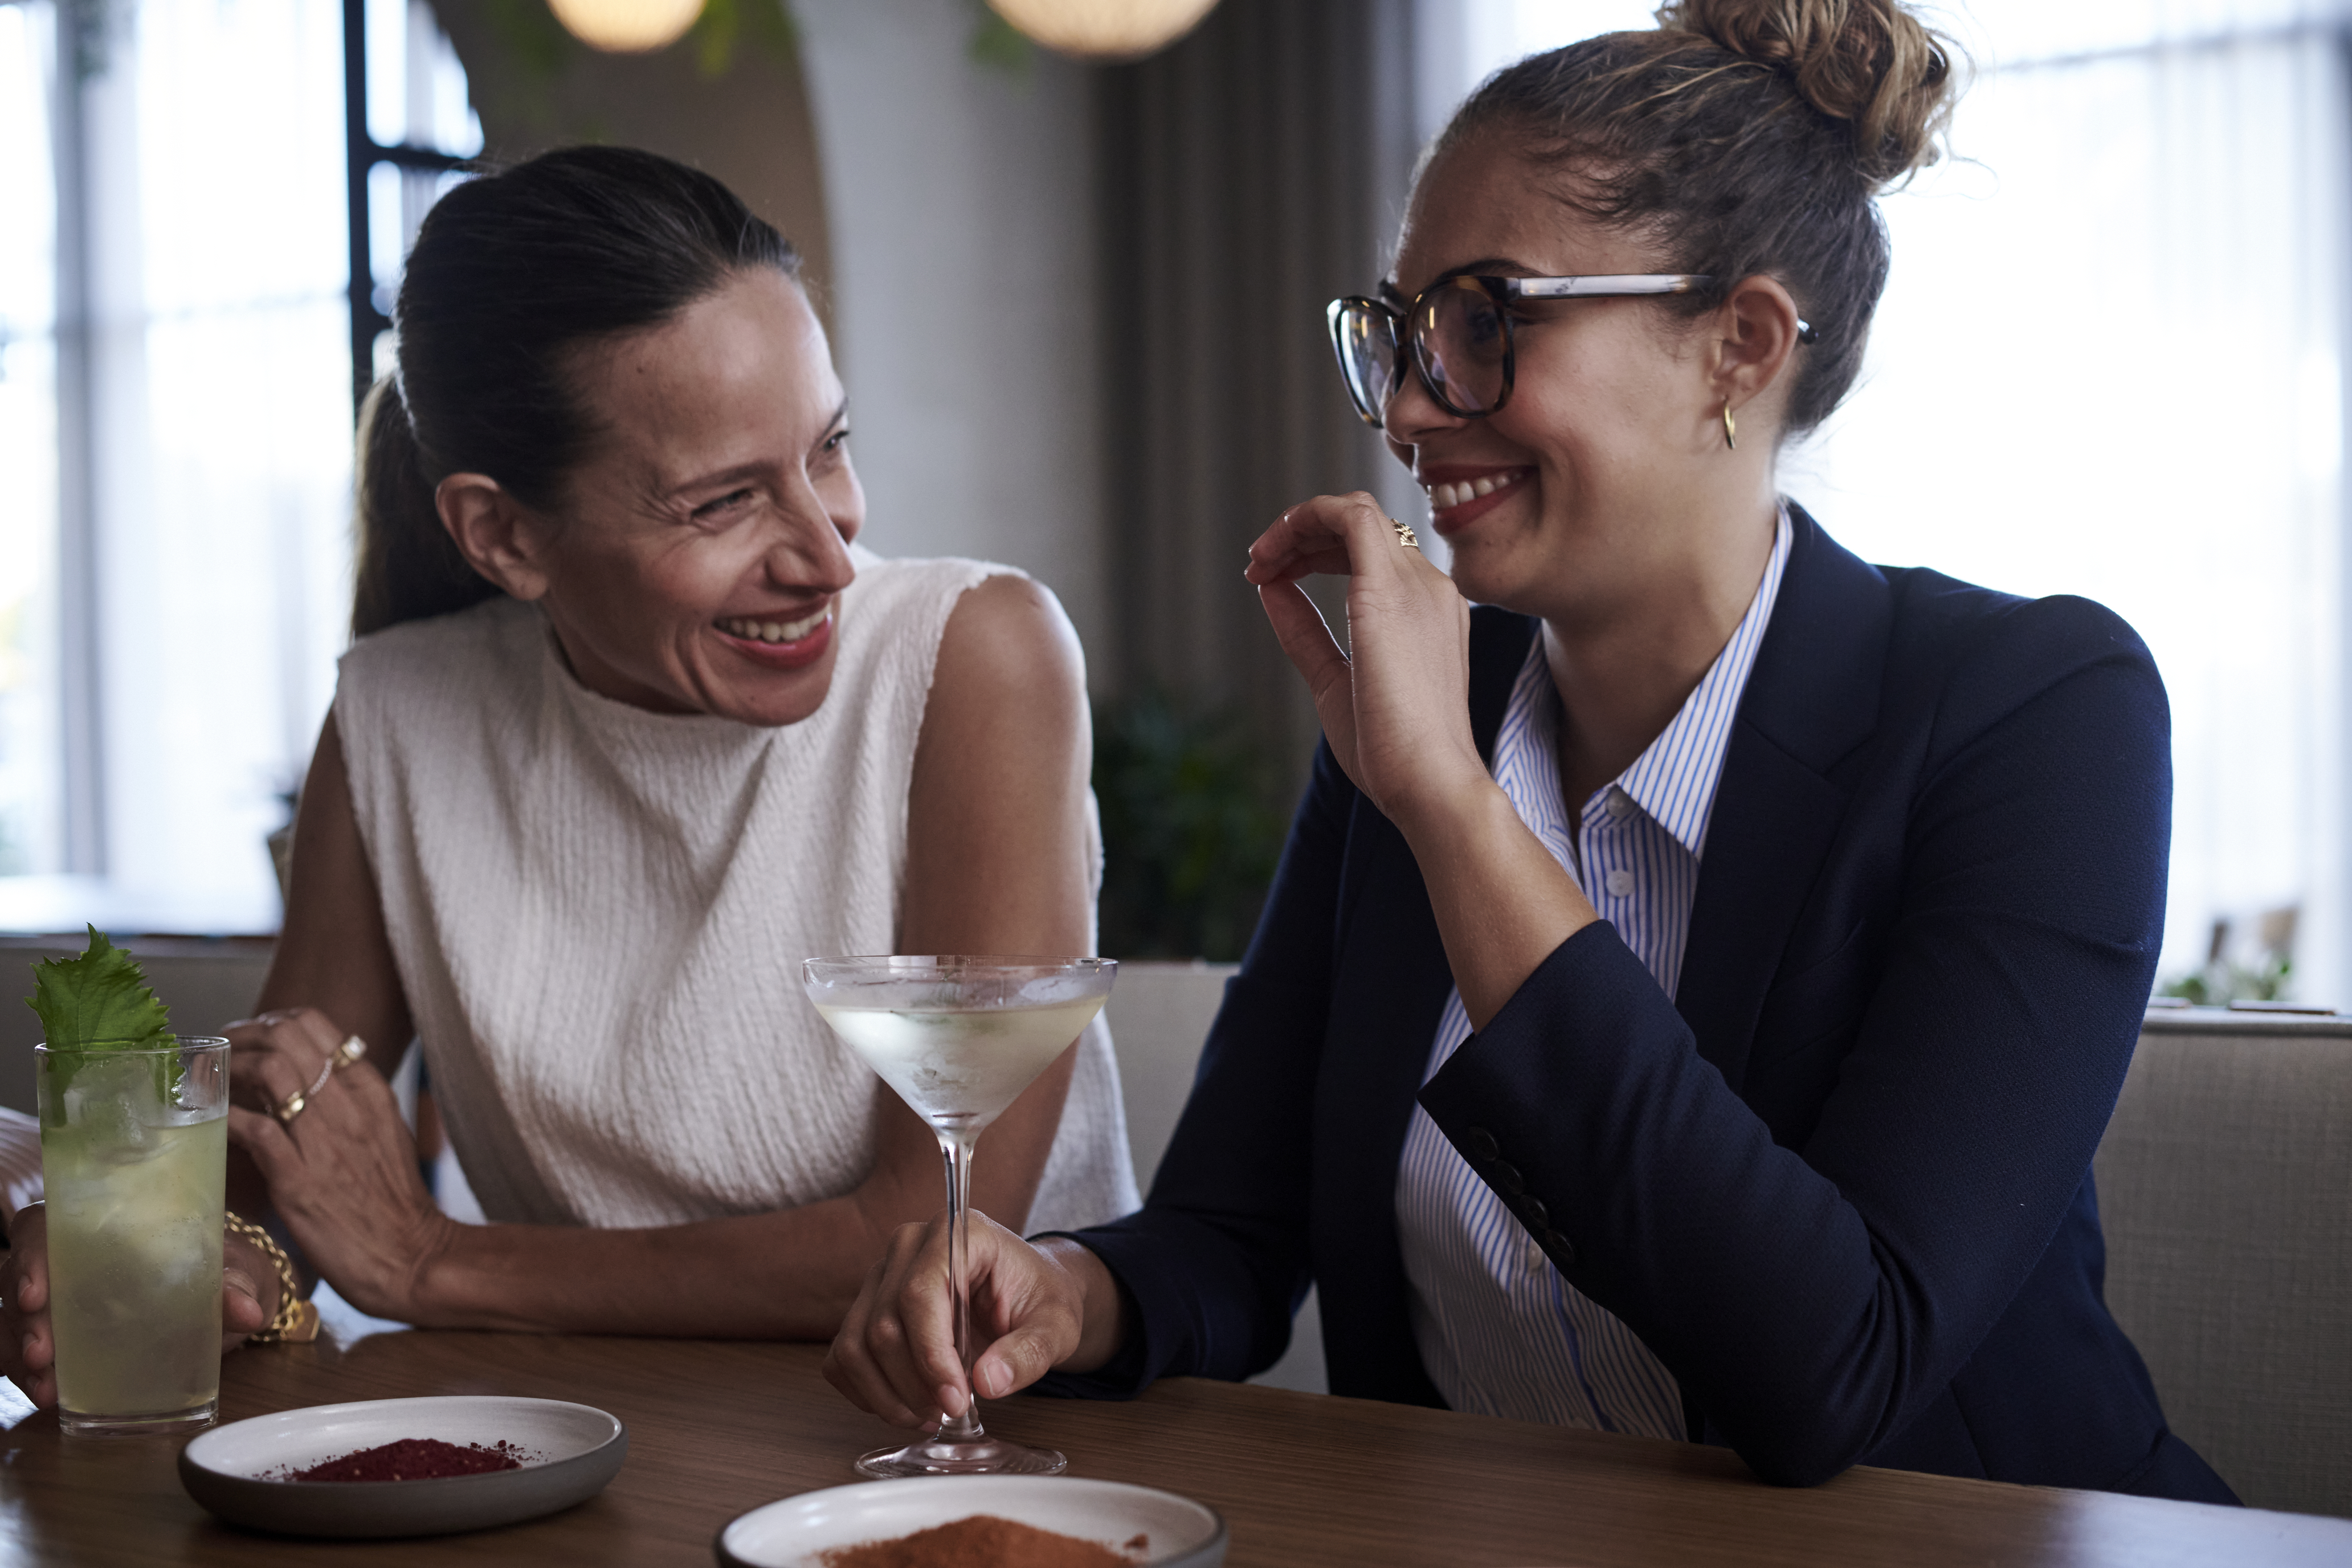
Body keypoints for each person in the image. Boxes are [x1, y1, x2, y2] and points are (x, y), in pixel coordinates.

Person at [822, 0, 2237, 1501]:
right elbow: (1236, 1233)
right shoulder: (1431, 700)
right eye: (1404, 334)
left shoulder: (2034, 712)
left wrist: (1450, 807)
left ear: (1737, 351)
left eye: (1488, 323)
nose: (1417, 408)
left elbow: (1835, 1368)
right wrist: (1067, 1294)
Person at [1, 146, 1136, 1406]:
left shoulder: (975, 656)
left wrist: (437, 1262)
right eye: (722, 502)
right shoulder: (397, 715)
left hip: (988, 1448)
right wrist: (143, 1260)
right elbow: (284, 1201)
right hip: (578, 1465)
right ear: (503, 534)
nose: (826, 547)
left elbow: (928, 1239)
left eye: (829, 446)